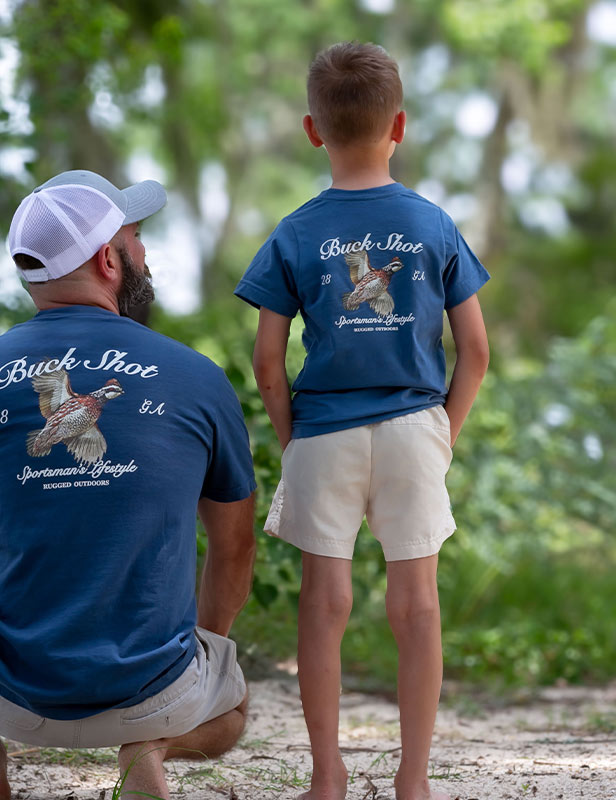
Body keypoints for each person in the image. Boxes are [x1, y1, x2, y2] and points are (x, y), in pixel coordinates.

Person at [0, 170, 257, 800]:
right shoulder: (198, 378)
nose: (144, 252)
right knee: (230, 716)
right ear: (106, 260)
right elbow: (234, 547)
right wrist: (200, 651)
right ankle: (147, 748)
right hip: (162, 697)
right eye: (136, 237)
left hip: (7, 696)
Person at [234, 42, 490, 800]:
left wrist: (293, 441)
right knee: (418, 605)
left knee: (326, 604)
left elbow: (268, 364)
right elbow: (474, 351)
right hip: (416, 426)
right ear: (399, 125)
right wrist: (445, 433)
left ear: (313, 130)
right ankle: (414, 781)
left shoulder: (295, 230)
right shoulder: (434, 223)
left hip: (324, 432)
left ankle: (327, 776)